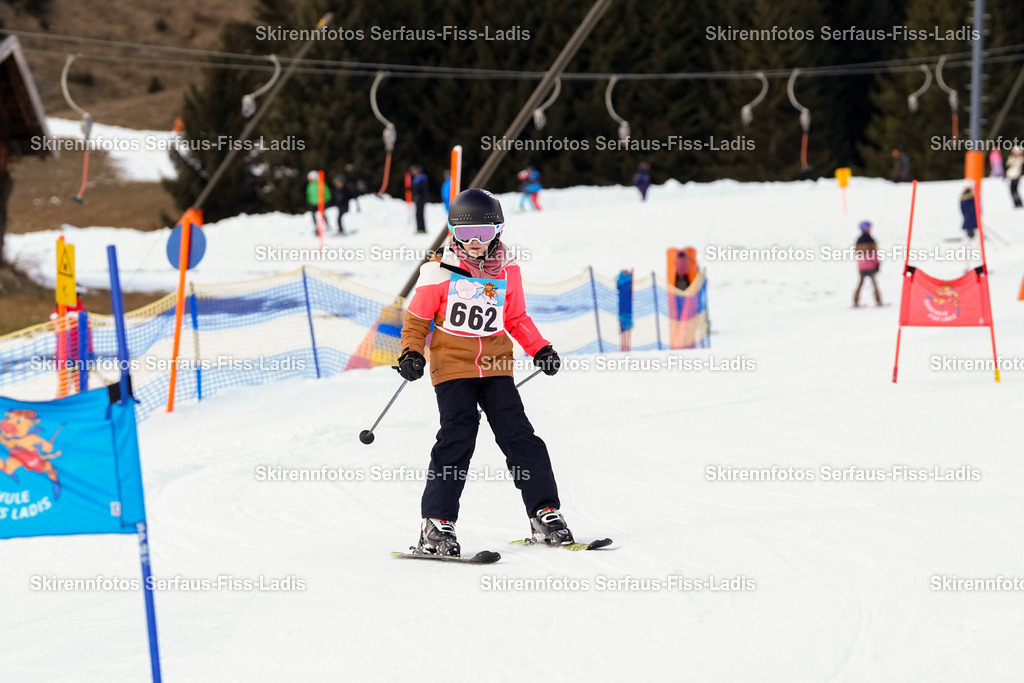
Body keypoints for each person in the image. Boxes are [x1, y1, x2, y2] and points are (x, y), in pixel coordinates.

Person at [397, 188, 570, 556]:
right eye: (465, 235)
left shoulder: (508, 272)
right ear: (452, 234)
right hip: (453, 368)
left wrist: (540, 348)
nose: (475, 243)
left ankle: (545, 512)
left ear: (499, 232)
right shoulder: (437, 271)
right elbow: (416, 320)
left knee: (520, 436)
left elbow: (516, 318)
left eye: (484, 234)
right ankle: (436, 524)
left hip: (495, 367)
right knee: (458, 437)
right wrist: (412, 353)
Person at [853, 220, 883, 307]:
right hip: (871, 267)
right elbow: (874, 254)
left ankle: (855, 301)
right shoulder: (871, 240)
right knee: (874, 284)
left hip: (861, 267)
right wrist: (877, 264)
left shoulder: (858, 241)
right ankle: (878, 301)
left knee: (860, 284)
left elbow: (858, 254)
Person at [410, 165, 429, 233]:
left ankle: (421, 229)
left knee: (419, 214)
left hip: (420, 199)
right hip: (418, 199)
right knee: (419, 214)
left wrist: (418, 196)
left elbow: (422, 190)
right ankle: (420, 228)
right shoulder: (418, 178)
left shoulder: (420, 179)